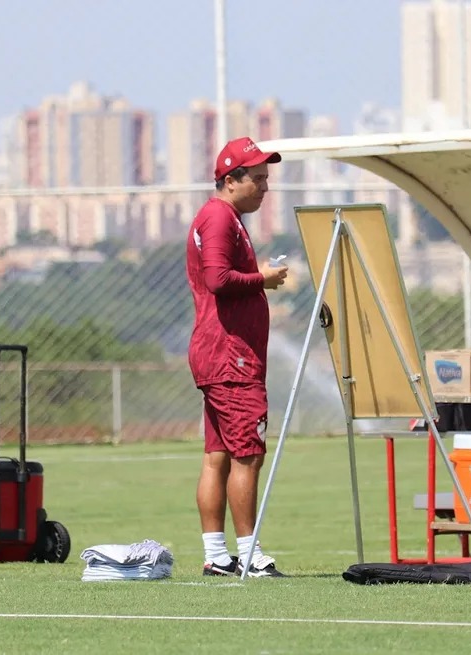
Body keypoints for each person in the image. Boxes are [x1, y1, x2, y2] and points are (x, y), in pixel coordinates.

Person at [185, 136, 289, 578]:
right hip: (231, 358)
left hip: (221, 354)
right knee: (247, 454)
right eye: (259, 179)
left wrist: (255, 274)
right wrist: (261, 279)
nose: (266, 188)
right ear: (231, 180)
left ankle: (217, 555)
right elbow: (217, 279)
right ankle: (249, 554)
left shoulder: (226, 217)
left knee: (219, 456)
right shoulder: (219, 216)